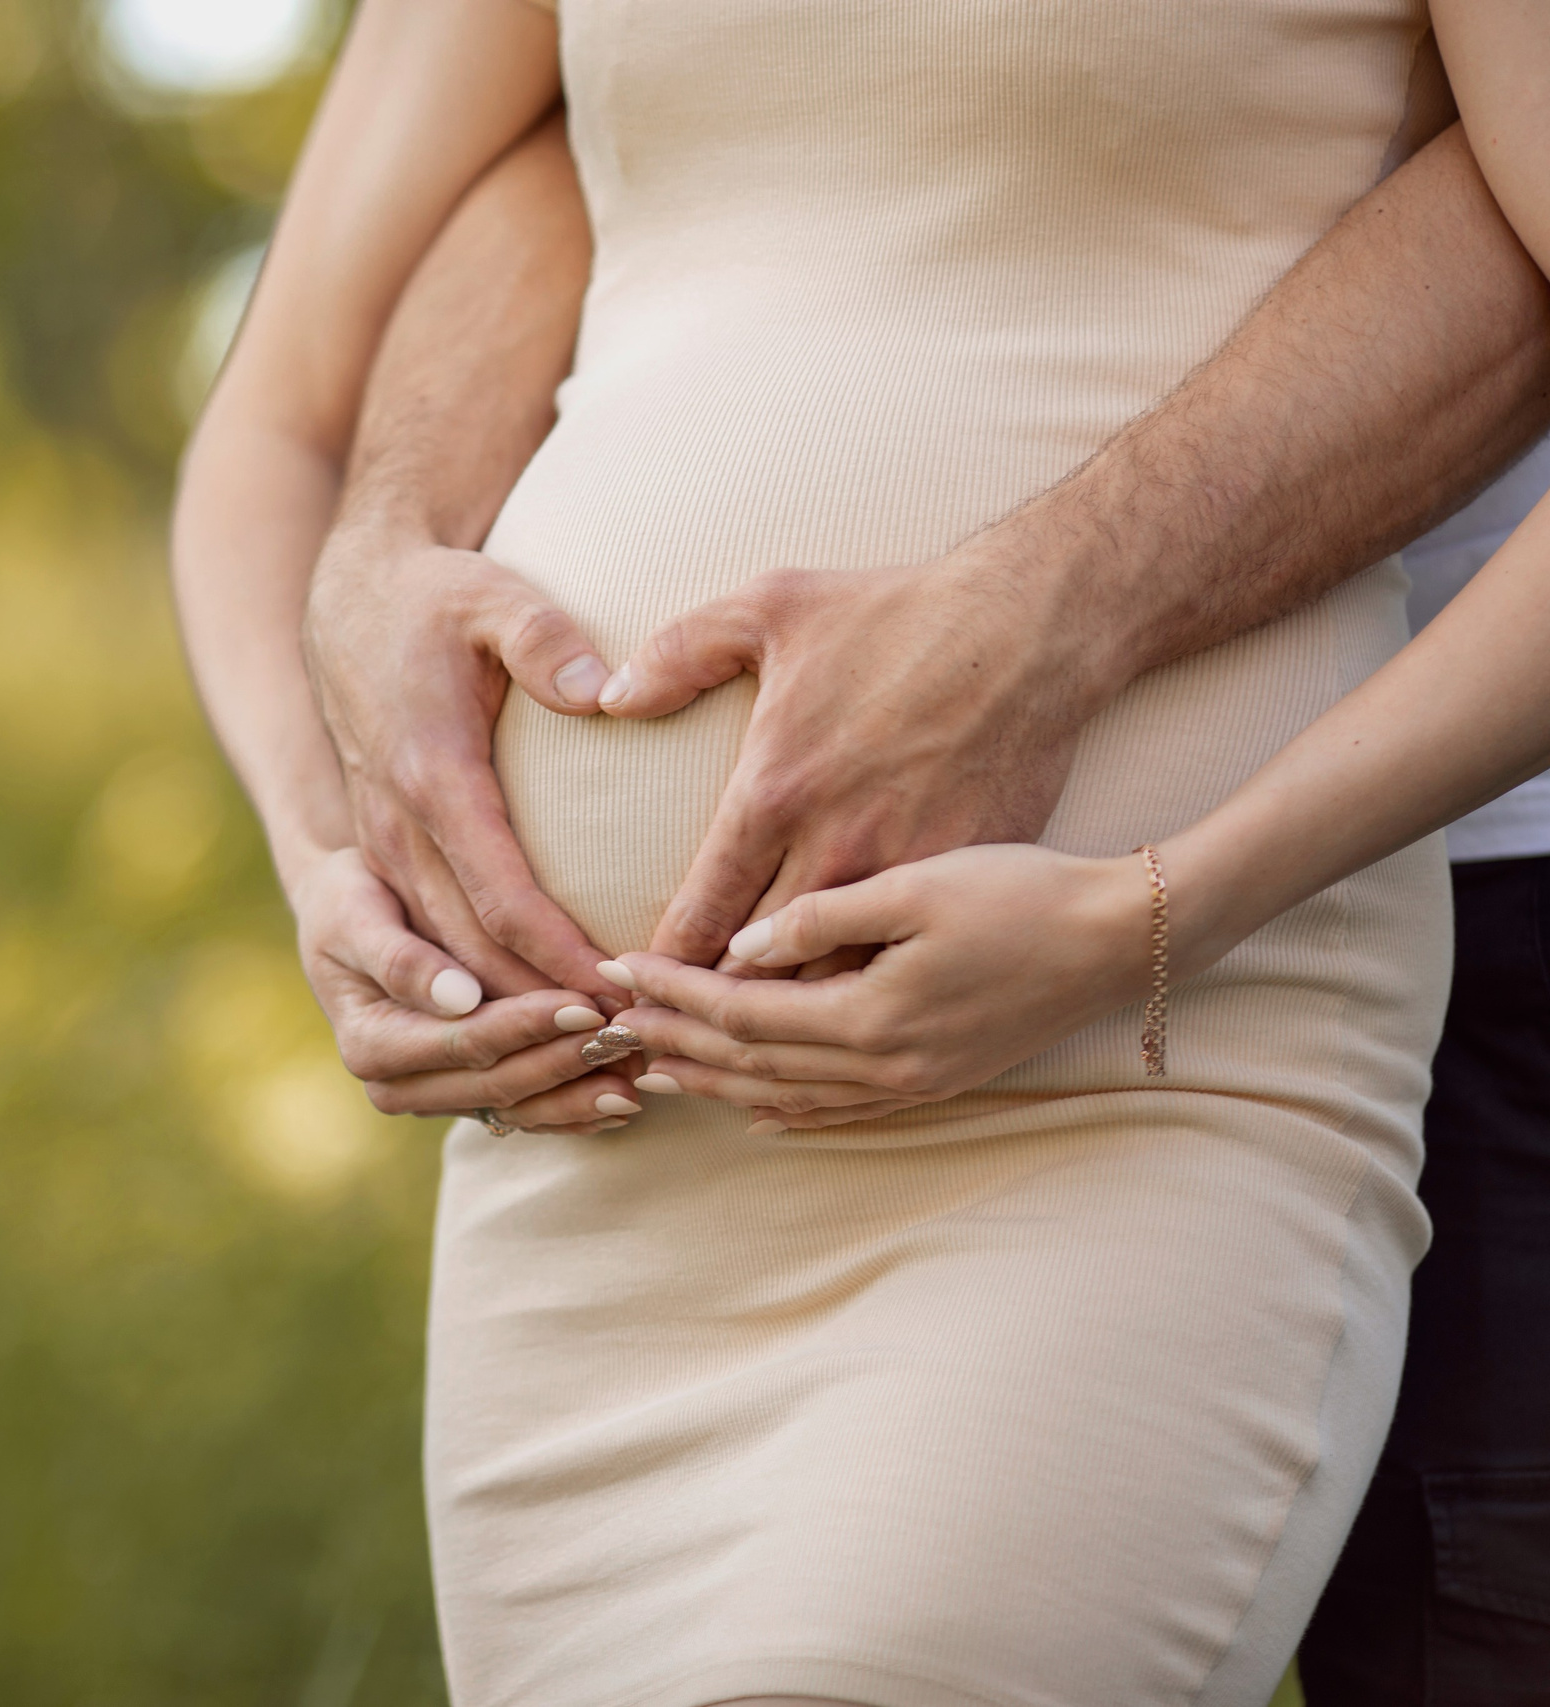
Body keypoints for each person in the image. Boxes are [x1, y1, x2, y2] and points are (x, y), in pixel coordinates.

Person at [168, 3, 1550, 1705]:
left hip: (1117, 1076)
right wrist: (341, 868)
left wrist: (1152, 916)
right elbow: (283, 416)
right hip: (601, 1168)